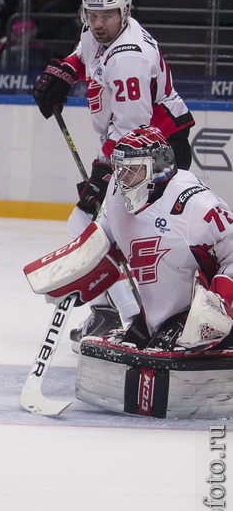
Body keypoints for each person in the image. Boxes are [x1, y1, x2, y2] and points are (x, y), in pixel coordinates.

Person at [32, 0, 195, 344]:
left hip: (157, 149)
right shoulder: (98, 33)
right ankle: (112, 310)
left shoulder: (130, 59)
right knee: (95, 226)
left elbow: (133, 138)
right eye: (92, 14)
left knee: (99, 227)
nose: (98, 23)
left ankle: (133, 314)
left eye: (107, 15)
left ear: (125, 13)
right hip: (131, 144)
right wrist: (63, 72)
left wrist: (101, 176)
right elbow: (82, 53)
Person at [33, 125, 233, 354]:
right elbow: (105, 243)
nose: (123, 179)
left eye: (132, 170)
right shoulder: (117, 193)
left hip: (198, 311)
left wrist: (218, 306)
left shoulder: (196, 205)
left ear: (158, 167)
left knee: (165, 356)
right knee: (131, 354)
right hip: (155, 313)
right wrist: (73, 274)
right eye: (119, 170)